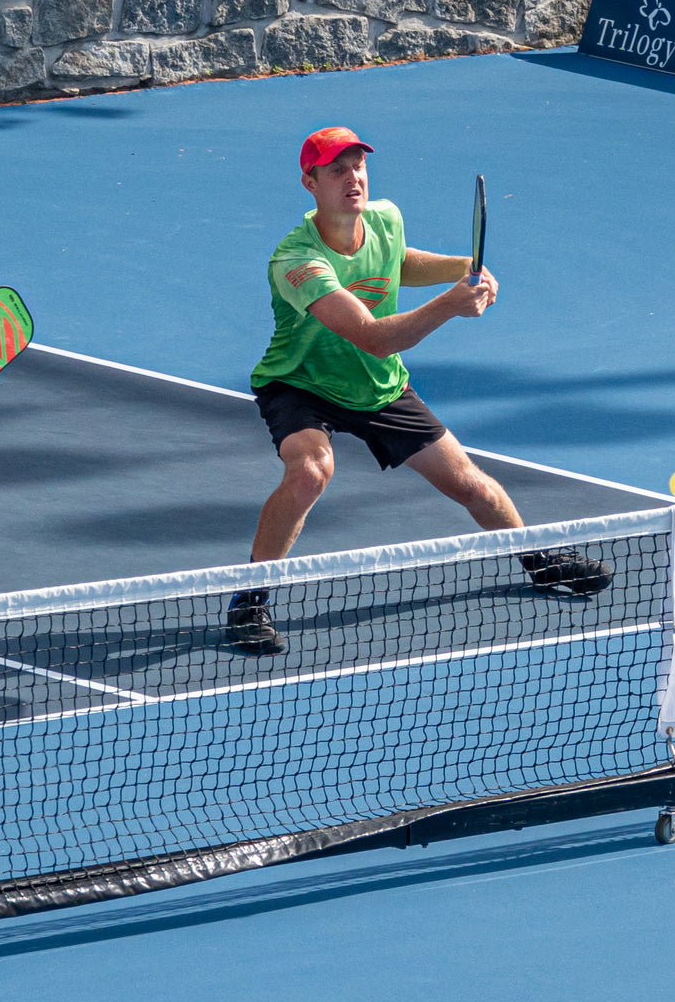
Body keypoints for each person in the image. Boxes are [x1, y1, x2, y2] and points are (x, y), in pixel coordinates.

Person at [228, 127, 611, 654]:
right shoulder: (297, 261)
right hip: (300, 384)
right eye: (337, 170)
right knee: (310, 472)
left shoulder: (385, 218)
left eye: (358, 165)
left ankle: (538, 562)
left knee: (473, 487)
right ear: (310, 184)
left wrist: (462, 268)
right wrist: (451, 304)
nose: (353, 177)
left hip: (378, 387)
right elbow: (374, 339)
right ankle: (249, 600)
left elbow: (398, 262)